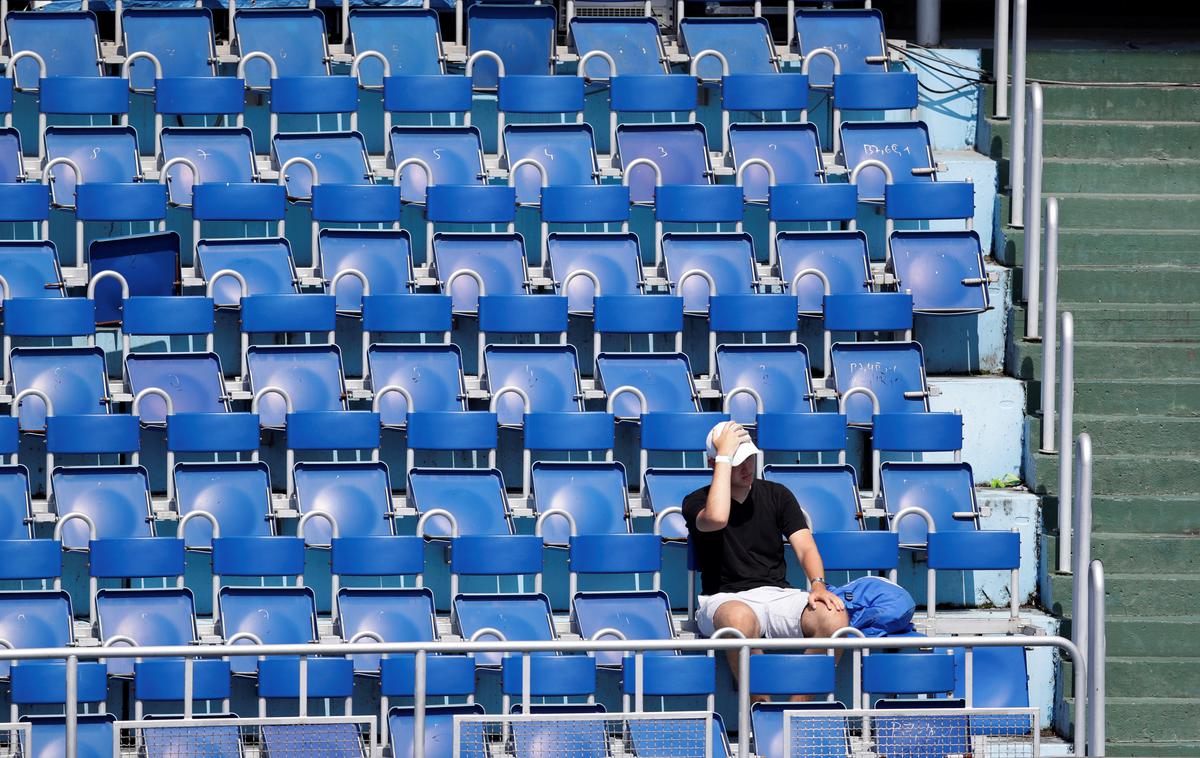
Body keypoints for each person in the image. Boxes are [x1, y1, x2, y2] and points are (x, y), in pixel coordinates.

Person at [683, 421, 849, 693]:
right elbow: (717, 518)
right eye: (737, 461)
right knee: (739, 620)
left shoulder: (777, 494)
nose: (747, 467)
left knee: (834, 617)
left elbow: (805, 545)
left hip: (777, 594)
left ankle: (794, 712)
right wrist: (724, 456)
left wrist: (818, 584)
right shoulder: (696, 501)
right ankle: (761, 712)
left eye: (749, 457)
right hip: (724, 599)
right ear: (714, 464)